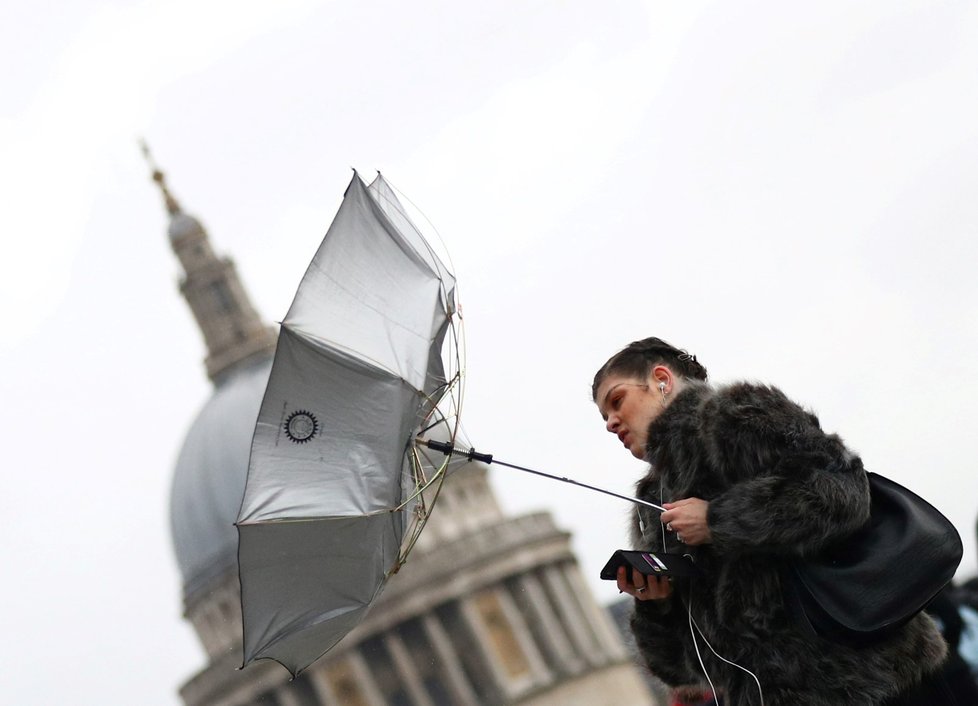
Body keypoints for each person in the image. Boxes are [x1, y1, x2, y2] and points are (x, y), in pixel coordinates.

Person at [593, 337, 951, 706]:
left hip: (878, 673)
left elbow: (841, 491)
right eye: (604, 416)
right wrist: (656, 605)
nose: (611, 422)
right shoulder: (651, 504)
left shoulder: (733, 414)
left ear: (661, 379)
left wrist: (718, 520)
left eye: (617, 400)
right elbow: (687, 673)